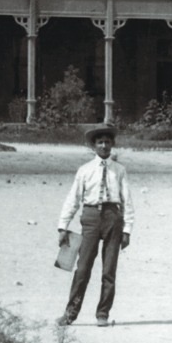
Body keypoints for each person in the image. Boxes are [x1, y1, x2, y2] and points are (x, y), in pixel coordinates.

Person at [56, 122, 134, 326]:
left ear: (112, 145)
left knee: (109, 270)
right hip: (90, 218)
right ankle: (70, 313)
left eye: (108, 142)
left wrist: (127, 230)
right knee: (82, 268)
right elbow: (73, 199)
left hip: (113, 219)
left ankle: (103, 314)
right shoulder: (84, 170)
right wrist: (63, 226)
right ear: (93, 146)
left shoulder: (120, 170)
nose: (104, 146)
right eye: (100, 142)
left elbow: (127, 201)